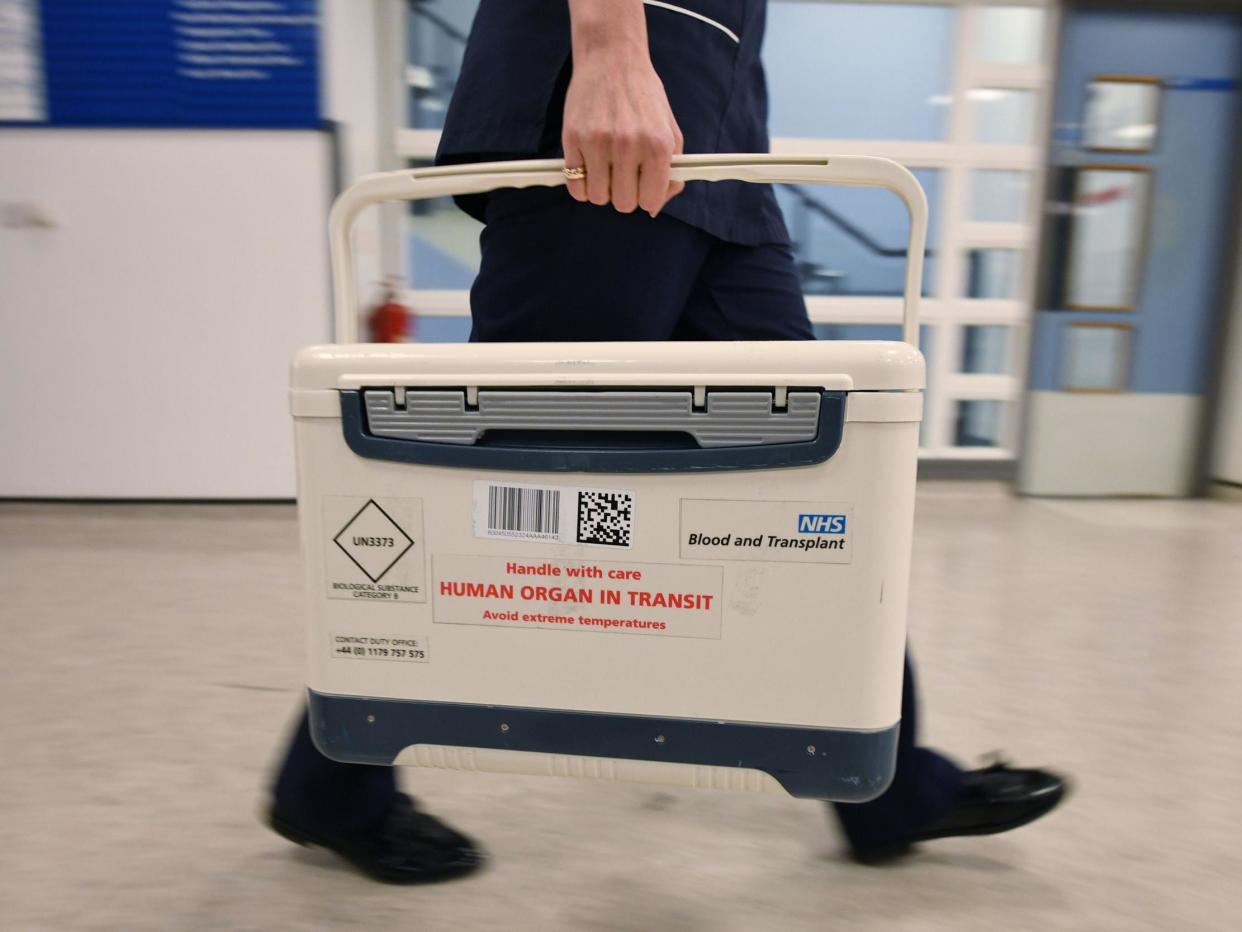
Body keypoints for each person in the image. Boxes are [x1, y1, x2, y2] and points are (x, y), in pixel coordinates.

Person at [265, 0, 1066, 882]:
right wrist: (608, 47)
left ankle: (890, 789)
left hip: (716, 145)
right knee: (494, 485)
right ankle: (329, 787)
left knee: (827, 481)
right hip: (609, 125)